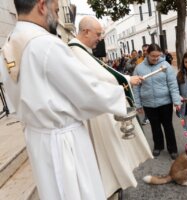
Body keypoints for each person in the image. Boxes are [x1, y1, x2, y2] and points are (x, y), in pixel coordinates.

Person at [0, 1, 128, 200]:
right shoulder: (45, 43)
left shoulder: (11, 41)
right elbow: (86, 91)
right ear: (42, 5)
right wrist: (120, 92)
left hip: (37, 137)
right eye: (57, 10)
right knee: (75, 191)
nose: (58, 17)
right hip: (63, 141)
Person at [68, 16, 153, 199]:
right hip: (95, 113)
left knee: (109, 152)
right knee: (105, 153)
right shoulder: (76, 50)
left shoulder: (81, 50)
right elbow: (104, 76)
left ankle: (113, 185)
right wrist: (129, 80)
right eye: (98, 34)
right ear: (86, 31)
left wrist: (128, 80)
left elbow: (104, 72)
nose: (100, 38)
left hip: (97, 107)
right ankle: (111, 186)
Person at [133, 43, 181, 160]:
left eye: (158, 56)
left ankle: (172, 149)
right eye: (153, 56)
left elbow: (172, 85)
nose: (155, 58)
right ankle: (158, 146)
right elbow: (136, 88)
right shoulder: (139, 68)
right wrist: (138, 104)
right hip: (149, 103)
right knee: (155, 126)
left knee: (168, 126)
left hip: (165, 102)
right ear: (147, 54)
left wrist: (176, 101)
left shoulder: (165, 66)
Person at [136, 44, 150, 125]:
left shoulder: (152, 59)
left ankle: (149, 116)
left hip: (150, 83)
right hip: (142, 83)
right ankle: (146, 116)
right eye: (143, 50)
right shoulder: (139, 61)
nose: (145, 52)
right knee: (144, 101)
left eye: (146, 50)